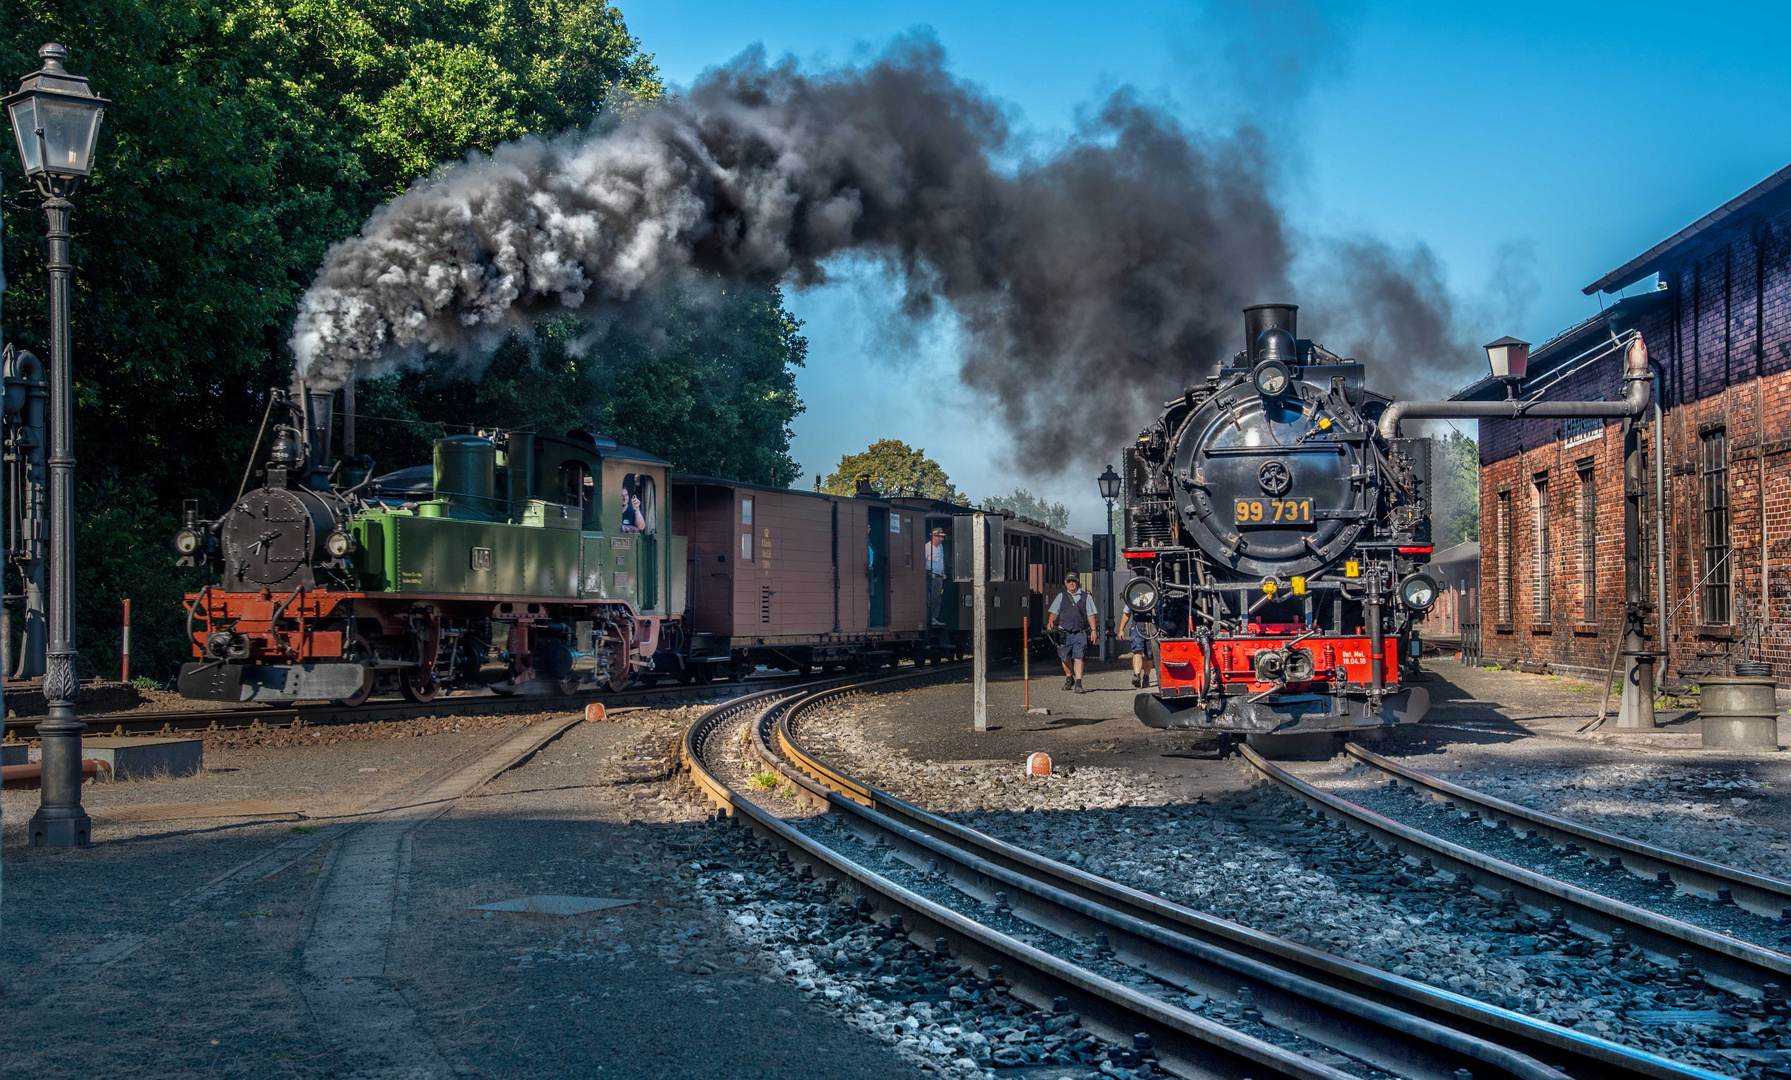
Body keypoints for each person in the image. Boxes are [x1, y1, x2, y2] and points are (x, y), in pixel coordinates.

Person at [1045, 573, 1096, 693]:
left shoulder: (1086, 597)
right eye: (1069, 581)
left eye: (1073, 581)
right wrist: (1050, 622)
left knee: (1079, 657)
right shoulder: (1061, 596)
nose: (1071, 583)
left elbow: (1091, 615)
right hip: (1064, 632)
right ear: (1065, 583)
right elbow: (1054, 612)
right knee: (1064, 657)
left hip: (1080, 632)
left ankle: (1078, 683)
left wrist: (1093, 631)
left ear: (1077, 582)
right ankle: (1069, 677)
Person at [1118, 607, 1152, 688]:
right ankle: (1137, 675)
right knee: (1137, 651)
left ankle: (1146, 677)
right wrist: (1121, 630)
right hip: (1137, 626)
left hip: (1151, 626)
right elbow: (1126, 613)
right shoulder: (1132, 597)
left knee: (1150, 655)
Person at [925, 526, 947, 627]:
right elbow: (923, 560)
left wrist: (943, 573)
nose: (941, 539)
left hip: (939, 576)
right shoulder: (927, 547)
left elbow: (942, 559)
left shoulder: (941, 547)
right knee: (930, 597)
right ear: (934, 536)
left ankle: (934, 617)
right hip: (931, 576)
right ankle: (929, 618)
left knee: (937, 598)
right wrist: (929, 572)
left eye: (942, 537)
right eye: (939, 537)